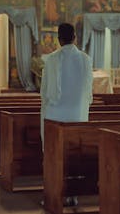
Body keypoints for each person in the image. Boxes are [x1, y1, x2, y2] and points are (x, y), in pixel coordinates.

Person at [40, 23, 93, 207]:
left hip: (55, 117)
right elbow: (88, 91)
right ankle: (73, 195)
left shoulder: (51, 59)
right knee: (74, 156)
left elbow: (45, 91)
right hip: (78, 116)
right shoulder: (86, 59)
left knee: (54, 155)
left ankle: (52, 194)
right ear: (75, 37)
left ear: (59, 39)